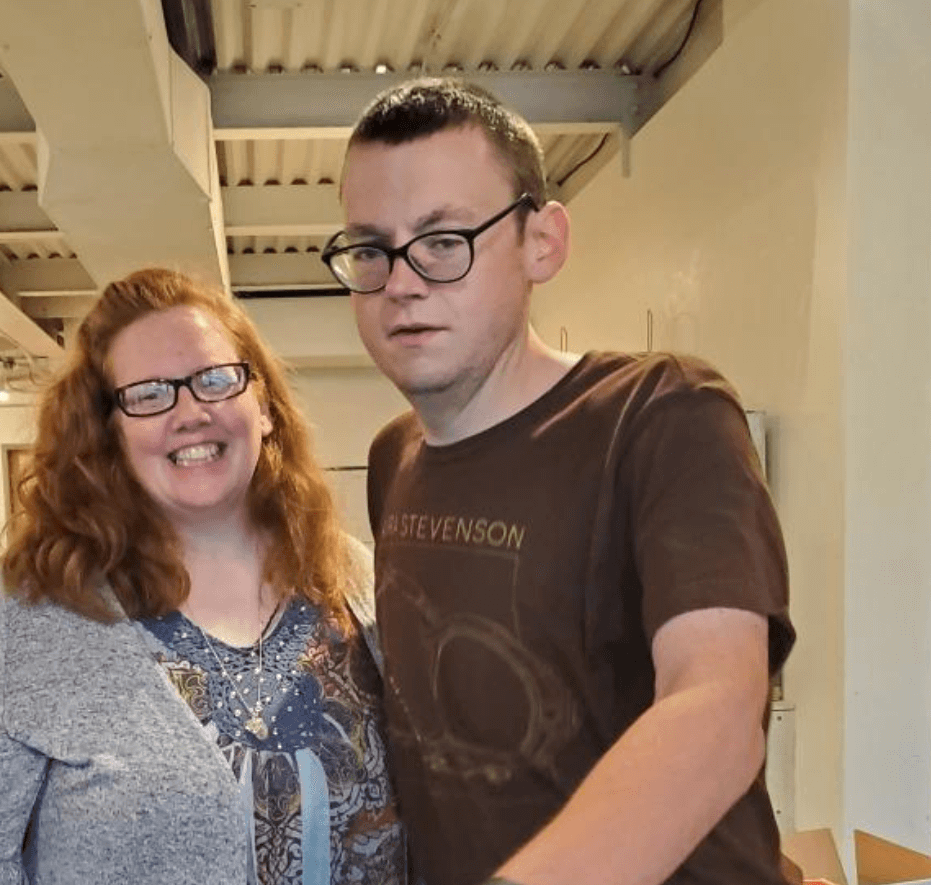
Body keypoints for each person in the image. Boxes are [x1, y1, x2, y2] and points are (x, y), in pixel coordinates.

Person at [321, 78, 796, 885]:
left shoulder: (659, 413)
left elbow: (714, 706)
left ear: (541, 240)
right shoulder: (392, 458)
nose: (401, 282)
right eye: (371, 249)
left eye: (443, 240)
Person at [0, 268, 406, 885]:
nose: (190, 412)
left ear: (265, 407)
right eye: (147, 394)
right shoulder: (38, 611)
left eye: (215, 380)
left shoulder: (352, 575)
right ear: (109, 435)